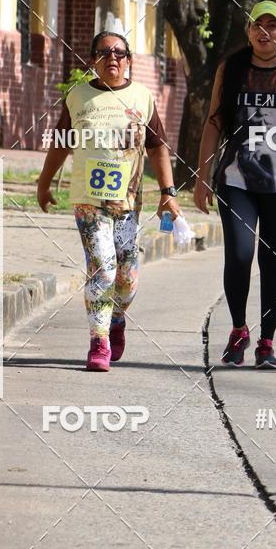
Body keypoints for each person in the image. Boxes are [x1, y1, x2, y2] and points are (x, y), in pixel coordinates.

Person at [194, 0, 276, 369]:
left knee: (273, 261)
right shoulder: (232, 67)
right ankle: (239, 329)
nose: (264, 31)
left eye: (273, 25)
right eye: (257, 24)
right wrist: (202, 178)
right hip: (236, 180)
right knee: (239, 256)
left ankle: (266, 342)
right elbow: (213, 123)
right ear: (248, 30)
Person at [37, 31, 180, 372]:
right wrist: (43, 184)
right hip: (88, 201)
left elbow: (157, 147)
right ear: (93, 61)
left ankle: (116, 319)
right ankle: (98, 341)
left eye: (119, 52)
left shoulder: (142, 97)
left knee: (127, 281)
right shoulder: (78, 97)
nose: (112, 58)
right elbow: (60, 144)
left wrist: (168, 193)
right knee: (103, 268)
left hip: (127, 205)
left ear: (129, 60)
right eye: (104, 52)